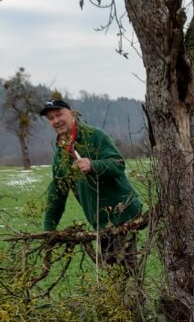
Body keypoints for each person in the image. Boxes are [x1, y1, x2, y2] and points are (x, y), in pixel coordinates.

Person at [40, 98, 143, 267]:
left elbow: (118, 164)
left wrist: (93, 165)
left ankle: (130, 283)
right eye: (51, 118)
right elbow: (58, 192)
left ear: (71, 113)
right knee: (111, 268)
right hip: (100, 221)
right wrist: (48, 229)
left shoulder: (95, 136)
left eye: (59, 115)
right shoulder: (60, 155)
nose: (56, 121)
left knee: (123, 268)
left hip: (122, 211)